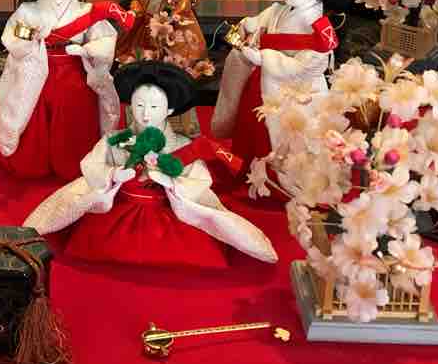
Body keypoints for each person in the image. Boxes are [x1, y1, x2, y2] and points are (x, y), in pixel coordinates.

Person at [23, 62, 277, 268]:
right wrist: (113, 174)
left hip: (167, 212)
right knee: (88, 235)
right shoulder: (116, 139)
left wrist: (170, 182)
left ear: (169, 110)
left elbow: (200, 181)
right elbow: (91, 165)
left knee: (197, 245)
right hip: (119, 207)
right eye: (139, 105)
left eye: (154, 106)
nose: (145, 114)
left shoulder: (181, 144)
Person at [0, 0, 134, 180]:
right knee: (33, 98)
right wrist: (35, 38)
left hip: (75, 68)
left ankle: (71, 161)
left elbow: (104, 40)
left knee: (76, 96)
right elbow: (13, 38)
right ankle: (34, 161)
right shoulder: (29, 11)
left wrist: (87, 50)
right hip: (37, 67)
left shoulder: (86, 11)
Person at [212, 0, 349, 175]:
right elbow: (260, 21)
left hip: (292, 94)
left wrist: (263, 57)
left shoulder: (318, 26)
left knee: (282, 139)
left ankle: (272, 175)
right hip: (261, 83)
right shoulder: (281, 10)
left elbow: (309, 66)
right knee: (250, 125)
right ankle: (247, 168)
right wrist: (248, 25)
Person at [115, 0, 212, 79]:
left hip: (171, 32)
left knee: (175, 58)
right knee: (133, 51)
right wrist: (135, 8)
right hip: (145, 33)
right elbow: (139, 6)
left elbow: (181, 10)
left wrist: (168, 16)